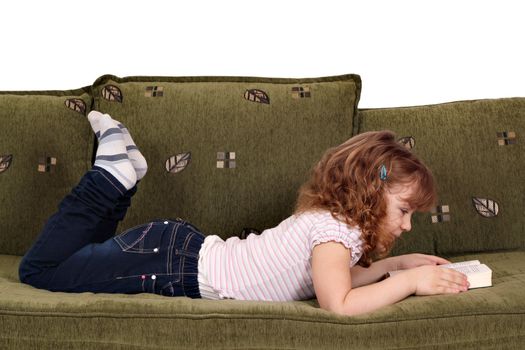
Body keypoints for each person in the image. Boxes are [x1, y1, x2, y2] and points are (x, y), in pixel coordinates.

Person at [18, 111, 469, 316]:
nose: (408, 225)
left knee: (71, 261)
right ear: (372, 191)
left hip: (174, 254)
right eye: (405, 211)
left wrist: (396, 266)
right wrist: (409, 282)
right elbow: (340, 303)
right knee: (41, 270)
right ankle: (110, 177)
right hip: (166, 264)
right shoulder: (334, 233)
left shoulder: (338, 229)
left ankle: (119, 176)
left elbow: (339, 279)